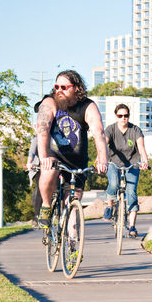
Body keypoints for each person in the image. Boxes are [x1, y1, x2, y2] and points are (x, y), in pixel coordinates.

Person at [34, 70, 108, 228]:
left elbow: (99, 131)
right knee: (49, 170)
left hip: (77, 162)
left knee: (73, 201)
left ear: (76, 88)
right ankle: (46, 206)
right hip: (53, 157)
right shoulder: (50, 102)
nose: (58, 90)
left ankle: (73, 244)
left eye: (64, 87)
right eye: (56, 86)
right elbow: (42, 128)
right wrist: (44, 157)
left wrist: (102, 158)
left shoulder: (87, 106)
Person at [103, 103, 149, 238]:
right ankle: (110, 206)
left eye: (126, 115)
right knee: (114, 184)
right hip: (113, 163)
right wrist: (101, 157)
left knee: (131, 192)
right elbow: (104, 143)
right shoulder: (110, 129)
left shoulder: (135, 130)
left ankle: (132, 226)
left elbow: (141, 147)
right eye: (120, 115)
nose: (123, 118)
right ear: (116, 116)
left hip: (132, 164)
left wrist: (145, 161)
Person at [26, 136, 42, 227]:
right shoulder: (37, 140)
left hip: (54, 167)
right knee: (40, 188)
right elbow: (31, 153)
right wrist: (30, 162)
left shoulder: (56, 138)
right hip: (39, 167)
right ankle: (37, 215)